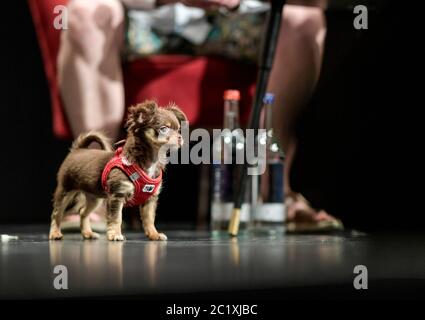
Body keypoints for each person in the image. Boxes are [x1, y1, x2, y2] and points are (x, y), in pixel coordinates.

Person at [57, 0, 339, 229]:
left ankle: (277, 195)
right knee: (83, 13)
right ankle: (96, 193)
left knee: (305, 18)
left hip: (240, 21)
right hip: (147, 19)